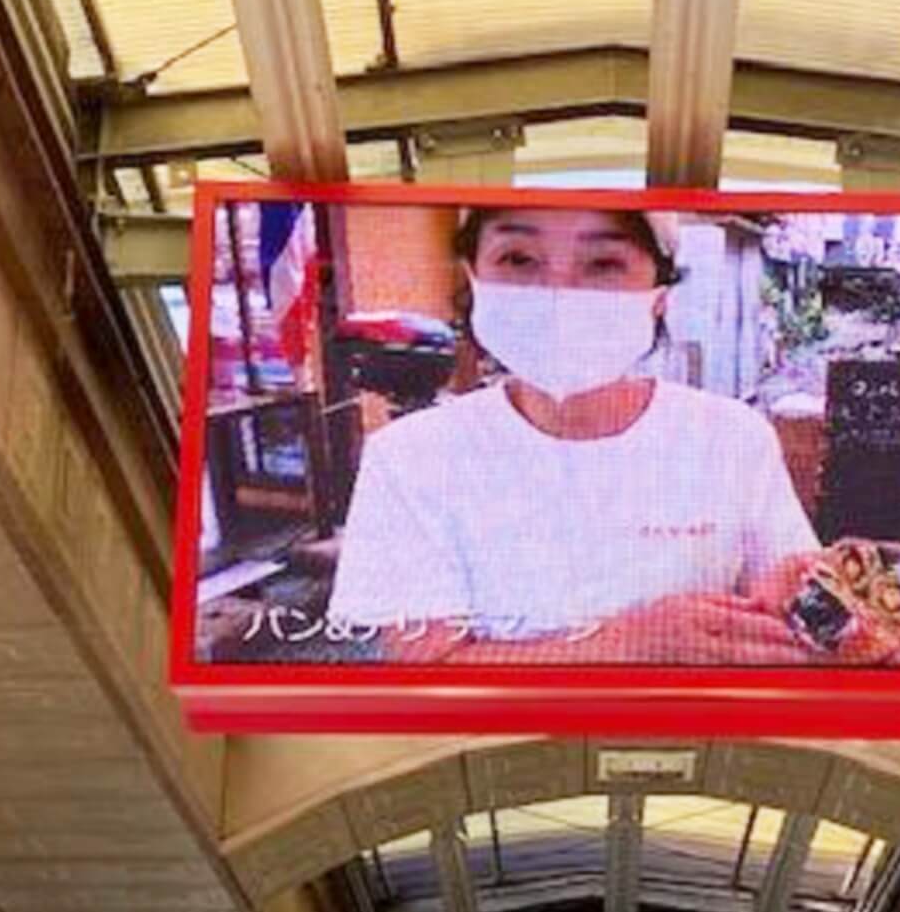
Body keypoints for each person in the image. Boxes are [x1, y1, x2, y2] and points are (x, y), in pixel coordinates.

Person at [328, 205, 822, 664]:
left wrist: (843, 601)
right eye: (519, 259)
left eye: (604, 264)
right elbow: (428, 662)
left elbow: (796, 606)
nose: (558, 294)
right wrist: (628, 643)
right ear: (473, 277)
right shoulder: (410, 457)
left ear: (659, 294)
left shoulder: (732, 439)